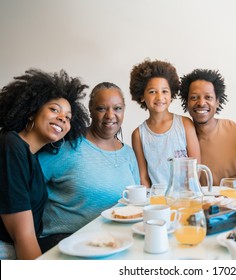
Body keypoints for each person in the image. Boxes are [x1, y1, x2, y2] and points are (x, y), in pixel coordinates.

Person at [38, 82, 140, 252]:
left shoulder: (128, 154)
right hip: (64, 240)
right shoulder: (66, 145)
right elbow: (21, 185)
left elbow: (133, 203)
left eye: (117, 108)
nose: (110, 115)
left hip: (112, 240)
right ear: (91, 110)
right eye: (101, 108)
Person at [0, 68, 89, 259]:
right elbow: (22, 236)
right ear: (32, 112)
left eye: (68, 117)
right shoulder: (11, 145)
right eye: (54, 109)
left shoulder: (32, 157)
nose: (62, 118)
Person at [179, 69, 236, 186]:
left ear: (218, 101)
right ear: (186, 102)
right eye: (194, 97)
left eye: (208, 97)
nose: (201, 103)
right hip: (192, 202)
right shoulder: (178, 134)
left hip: (230, 202)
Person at [130, 59, 200, 187]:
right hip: (157, 201)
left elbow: (196, 169)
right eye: (152, 92)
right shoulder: (138, 135)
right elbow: (143, 177)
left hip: (185, 197)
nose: (159, 97)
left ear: (171, 94)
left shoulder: (185, 124)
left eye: (164, 91)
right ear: (141, 96)